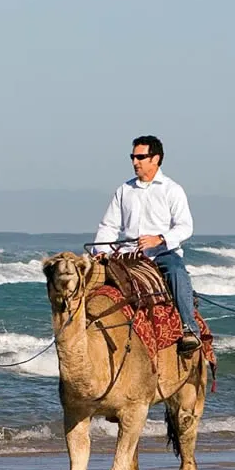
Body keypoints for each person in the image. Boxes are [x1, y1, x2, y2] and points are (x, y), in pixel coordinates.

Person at [93, 135, 200, 353]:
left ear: (156, 159)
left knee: (176, 271)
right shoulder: (124, 190)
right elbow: (108, 226)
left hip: (161, 254)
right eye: (133, 157)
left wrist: (159, 239)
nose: (135, 162)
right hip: (127, 256)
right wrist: (101, 251)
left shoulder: (172, 189)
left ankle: (190, 329)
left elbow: (185, 226)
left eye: (141, 157)